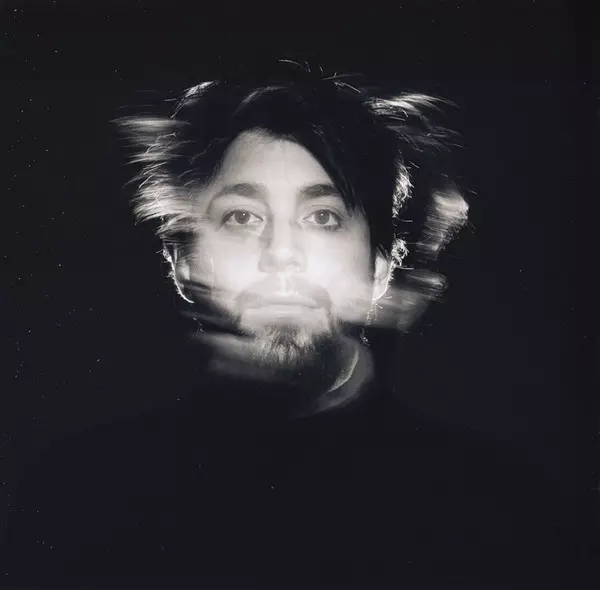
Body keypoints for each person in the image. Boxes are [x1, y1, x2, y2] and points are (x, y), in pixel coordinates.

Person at [4, 61, 574, 589]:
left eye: (322, 217)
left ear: (381, 265)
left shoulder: (500, 514)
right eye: (242, 217)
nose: (281, 254)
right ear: (184, 260)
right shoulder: (75, 498)